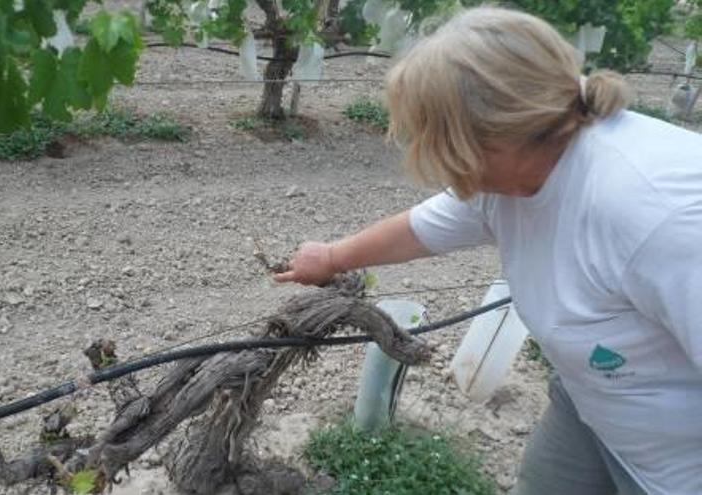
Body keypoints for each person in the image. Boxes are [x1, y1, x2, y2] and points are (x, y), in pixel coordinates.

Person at [273, 6, 702, 495]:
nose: (438, 163)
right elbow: (424, 227)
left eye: (440, 141)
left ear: (501, 130)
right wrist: (331, 257)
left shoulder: (663, 216)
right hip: (594, 404)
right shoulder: (510, 174)